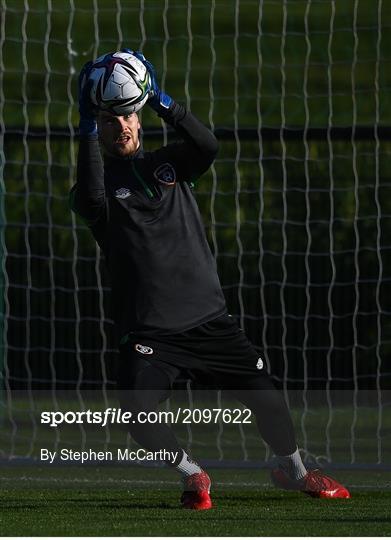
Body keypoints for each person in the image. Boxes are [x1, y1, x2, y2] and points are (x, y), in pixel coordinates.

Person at [70, 50, 350, 510]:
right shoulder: (94, 196)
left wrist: (161, 99)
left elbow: (208, 145)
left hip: (210, 321)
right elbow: (91, 192)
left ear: (139, 120)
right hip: (152, 334)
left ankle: (295, 472)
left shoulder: (169, 166)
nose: (119, 126)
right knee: (136, 411)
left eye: (126, 117)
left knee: (268, 398)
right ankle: (193, 474)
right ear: (96, 129)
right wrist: (84, 122)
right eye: (107, 120)